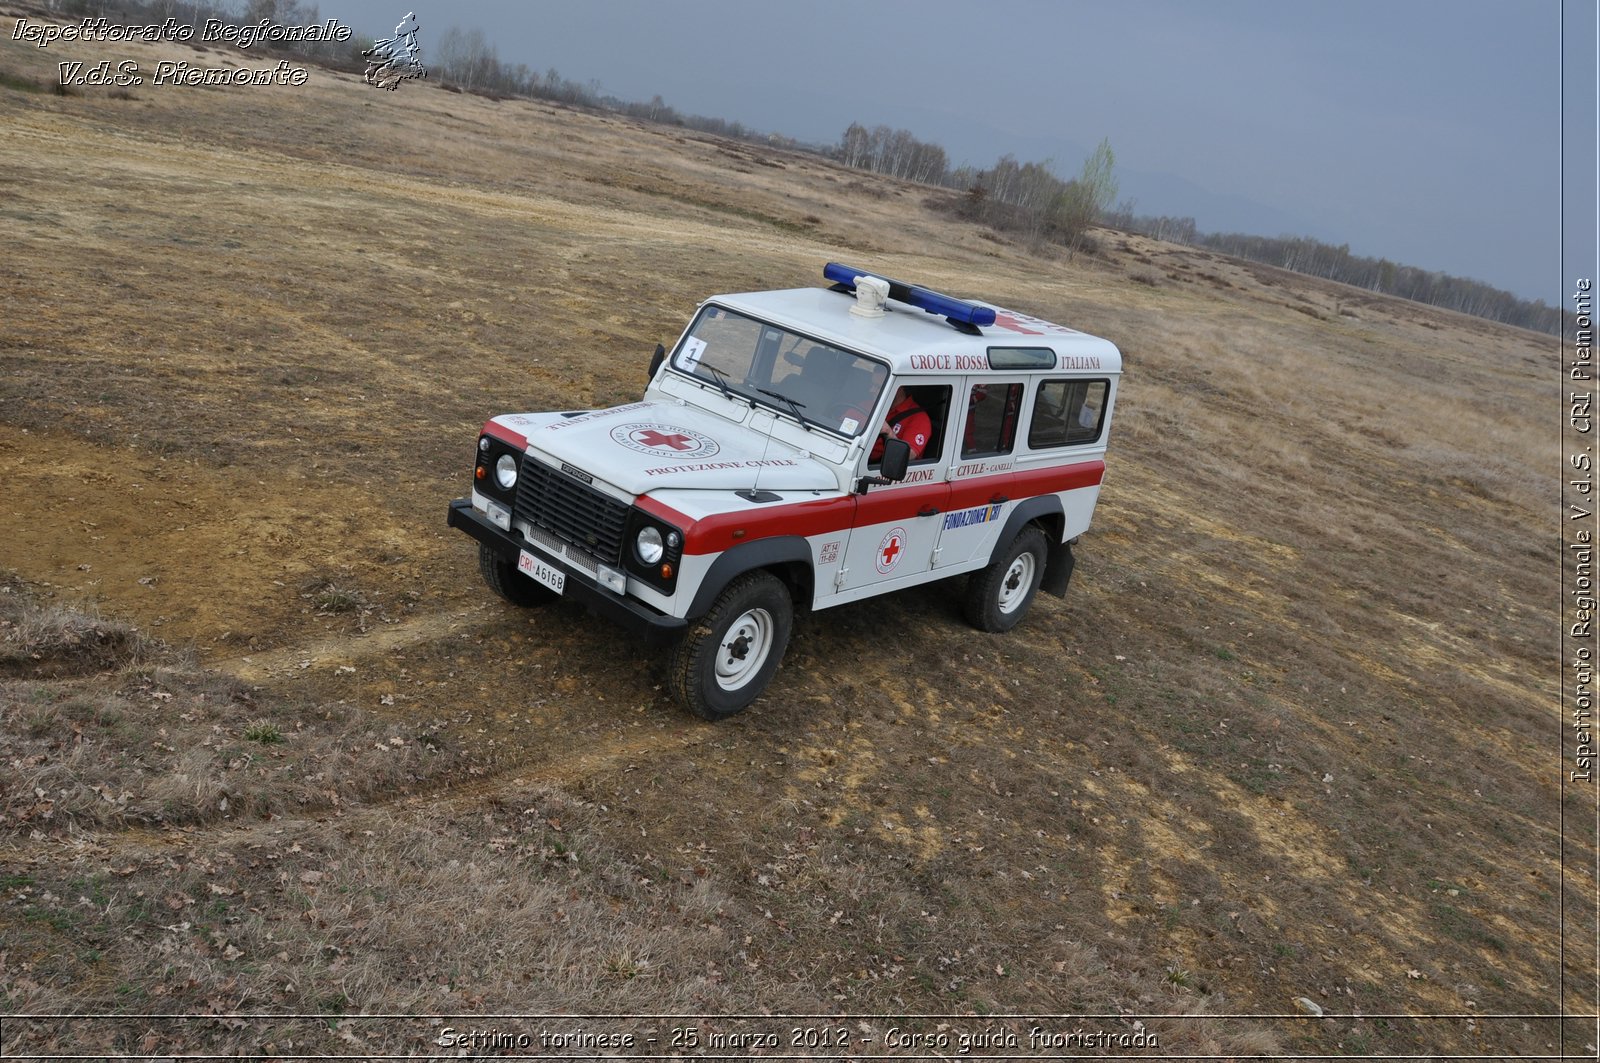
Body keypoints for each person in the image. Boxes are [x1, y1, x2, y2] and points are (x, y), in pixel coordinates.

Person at [871, 387, 931, 462]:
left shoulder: (919, 418)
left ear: (899, 389)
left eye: (878, 386)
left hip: (884, 466)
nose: (871, 390)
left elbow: (909, 455)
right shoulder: (874, 404)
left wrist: (889, 432)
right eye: (873, 385)